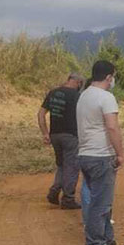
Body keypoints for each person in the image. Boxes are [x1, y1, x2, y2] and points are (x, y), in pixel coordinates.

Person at [77, 60, 124, 245]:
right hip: (101, 155)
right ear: (108, 77)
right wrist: (120, 153)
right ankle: (95, 243)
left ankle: (106, 239)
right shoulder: (106, 97)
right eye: (113, 77)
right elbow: (112, 127)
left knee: (96, 200)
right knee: (102, 204)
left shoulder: (84, 95)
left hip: (85, 154)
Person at [38, 73, 84, 210]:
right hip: (70, 135)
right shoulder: (76, 96)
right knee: (72, 167)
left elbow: (41, 114)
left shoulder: (53, 93)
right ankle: (68, 198)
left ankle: (54, 191)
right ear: (79, 82)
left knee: (61, 165)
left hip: (54, 135)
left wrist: (45, 133)